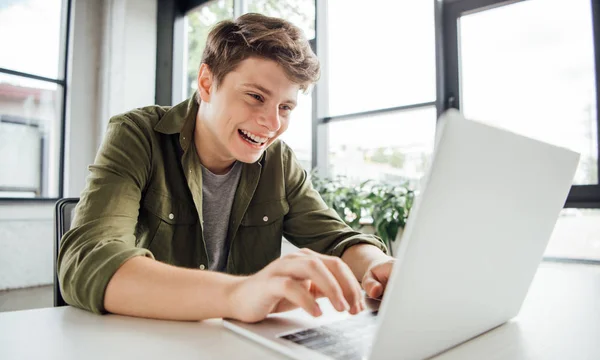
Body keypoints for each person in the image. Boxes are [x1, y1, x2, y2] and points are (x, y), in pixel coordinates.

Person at [58, 13, 394, 323]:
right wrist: (237, 295)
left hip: (236, 349)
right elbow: (87, 260)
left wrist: (377, 266)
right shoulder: (138, 135)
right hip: (148, 340)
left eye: (286, 107)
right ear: (206, 82)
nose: (271, 123)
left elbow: (336, 237)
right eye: (255, 96)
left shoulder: (279, 160)